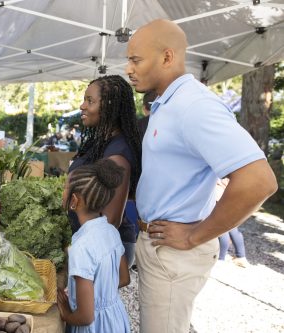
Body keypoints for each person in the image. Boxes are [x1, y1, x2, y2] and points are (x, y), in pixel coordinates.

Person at [126, 19, 277, 332]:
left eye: (135, 60)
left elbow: (259, 181)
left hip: (173, 252)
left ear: (167, 57)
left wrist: (194, 236)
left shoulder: (194, 105)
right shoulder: (167, 103)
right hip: (159, 246)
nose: (128, 68)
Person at [68, 75, 142, 269]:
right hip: (91, 244)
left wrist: (81, 254)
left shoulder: (118, 155)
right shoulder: (101, 141)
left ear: (109, 106)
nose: (82, 106)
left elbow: (110, 222)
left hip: (104, 251)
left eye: (90, 101)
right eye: (84, 99)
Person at [57, 159, 131, 333]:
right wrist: (86, 294)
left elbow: (85, 317)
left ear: (74, 201)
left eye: (65, 188)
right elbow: (124, 278)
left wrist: (66, 314)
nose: (62, 193)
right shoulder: (111, 231)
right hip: (115, 321)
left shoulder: (80, 248)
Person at [216, 178, 249, 267]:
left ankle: (220, 258)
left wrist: (218, 181)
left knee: (222, 229)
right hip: (234, 197)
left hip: (221, 196)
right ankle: (241, 256)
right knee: (232, 228)